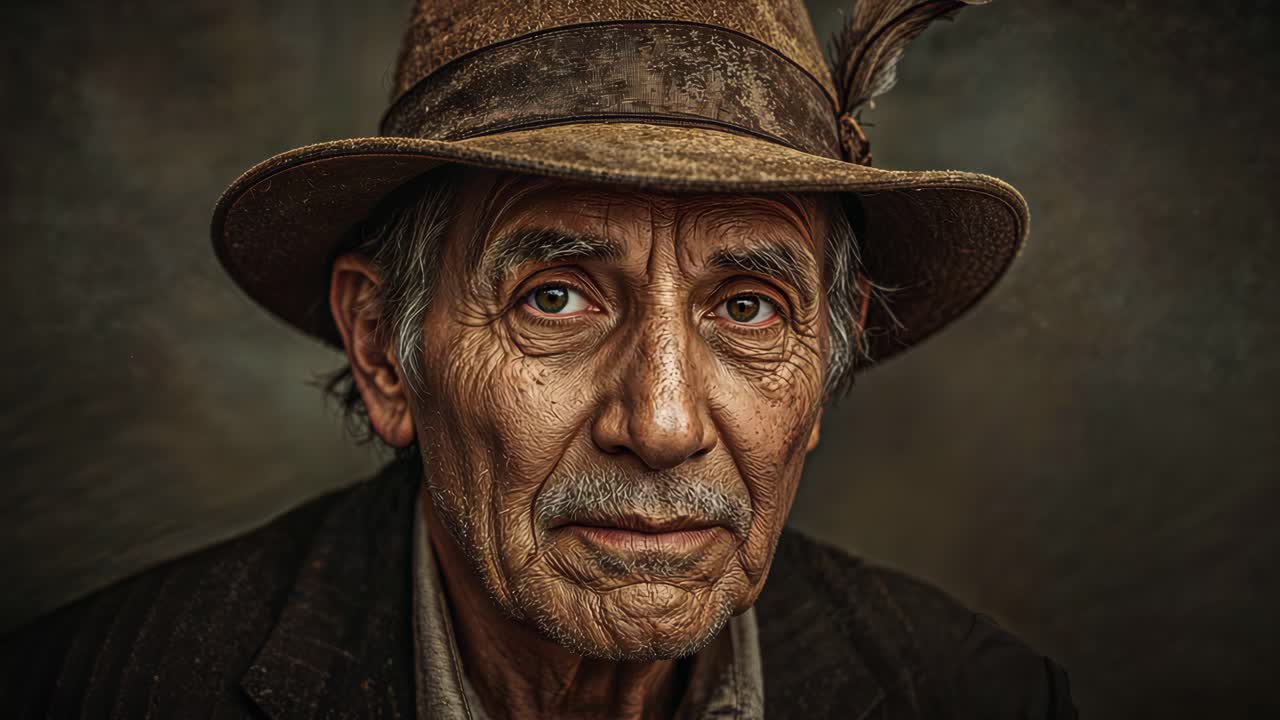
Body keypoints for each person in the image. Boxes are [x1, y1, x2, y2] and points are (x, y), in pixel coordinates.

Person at [1, 0, 1076, 717]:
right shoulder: (104, 689)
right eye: (553, 298)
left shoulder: (973, 694)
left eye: (748, 307)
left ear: (823, 358)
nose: (661, 425)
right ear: (383, 350)